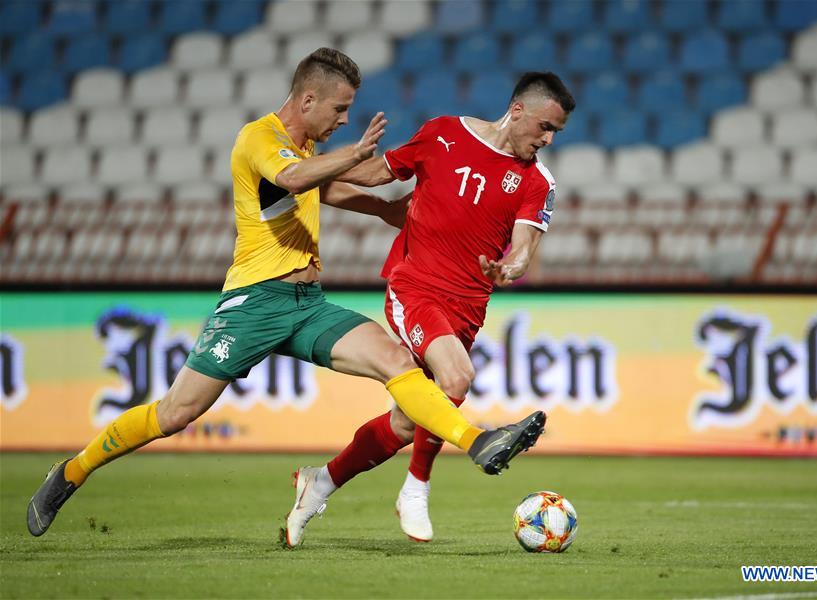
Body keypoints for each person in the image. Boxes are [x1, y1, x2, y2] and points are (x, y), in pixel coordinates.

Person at [26, 49, 547, 544]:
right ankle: (71, 471)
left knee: (395, 362)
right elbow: (296, 179)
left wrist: (383, 209)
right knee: (174, 415)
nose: (344, 120)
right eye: (339, 109)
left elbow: (323, 187)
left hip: (306, 307)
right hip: (253, 304)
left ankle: (478, 442)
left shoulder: (306, 150)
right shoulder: (259, 138)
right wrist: (355, 155)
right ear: (307, 101)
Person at [287, 72, 575, 543]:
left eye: (555, 134)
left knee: (408, 421)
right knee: (456, 377)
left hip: (467, 309)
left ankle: (321, 480)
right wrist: (316, 167)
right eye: (544, 127)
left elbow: (524, 247)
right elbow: (379, 173)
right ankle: (416, 489)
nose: (546, 139)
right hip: (414, 286)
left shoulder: (538, 182)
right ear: (517, 110)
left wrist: (510, 267)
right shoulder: (443, 133)